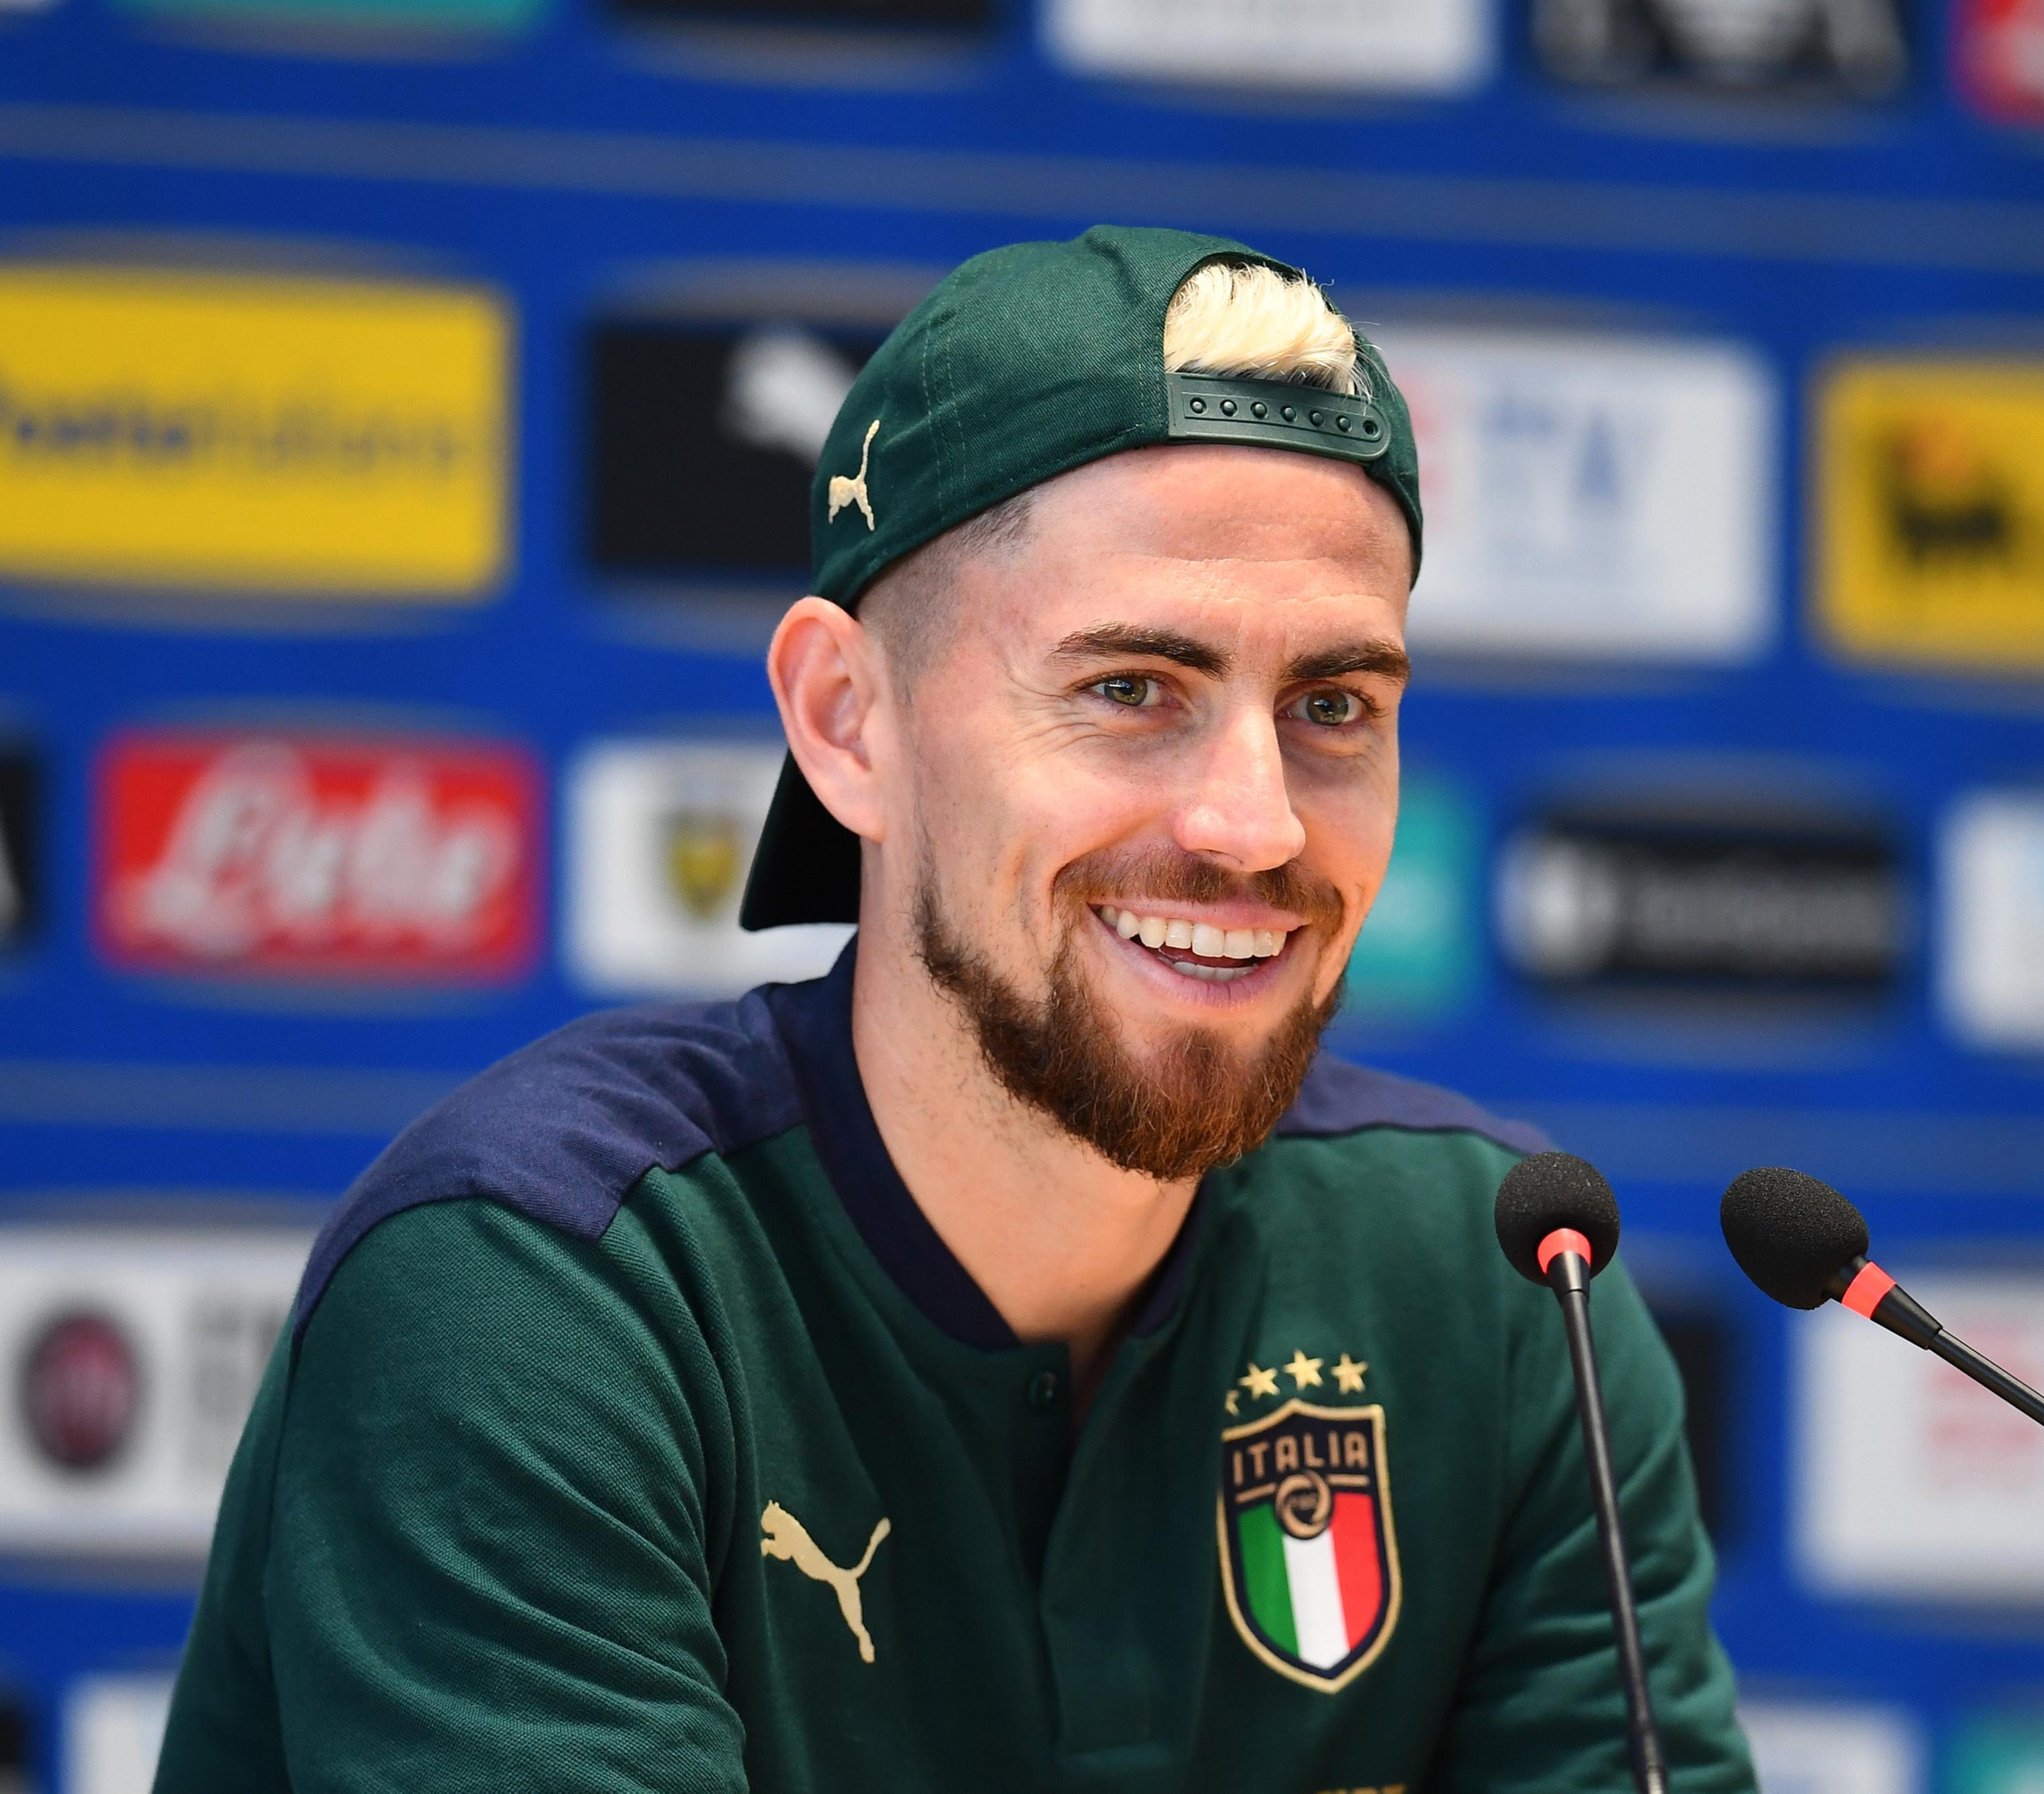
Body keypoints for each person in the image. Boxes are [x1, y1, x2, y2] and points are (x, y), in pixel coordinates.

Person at [154, 225, 1756, 1794]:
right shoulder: (539, 1287)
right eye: (1132, 689)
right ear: (847, 723)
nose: (1256, 823)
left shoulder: (1509, 1287)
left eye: (1332, 706)